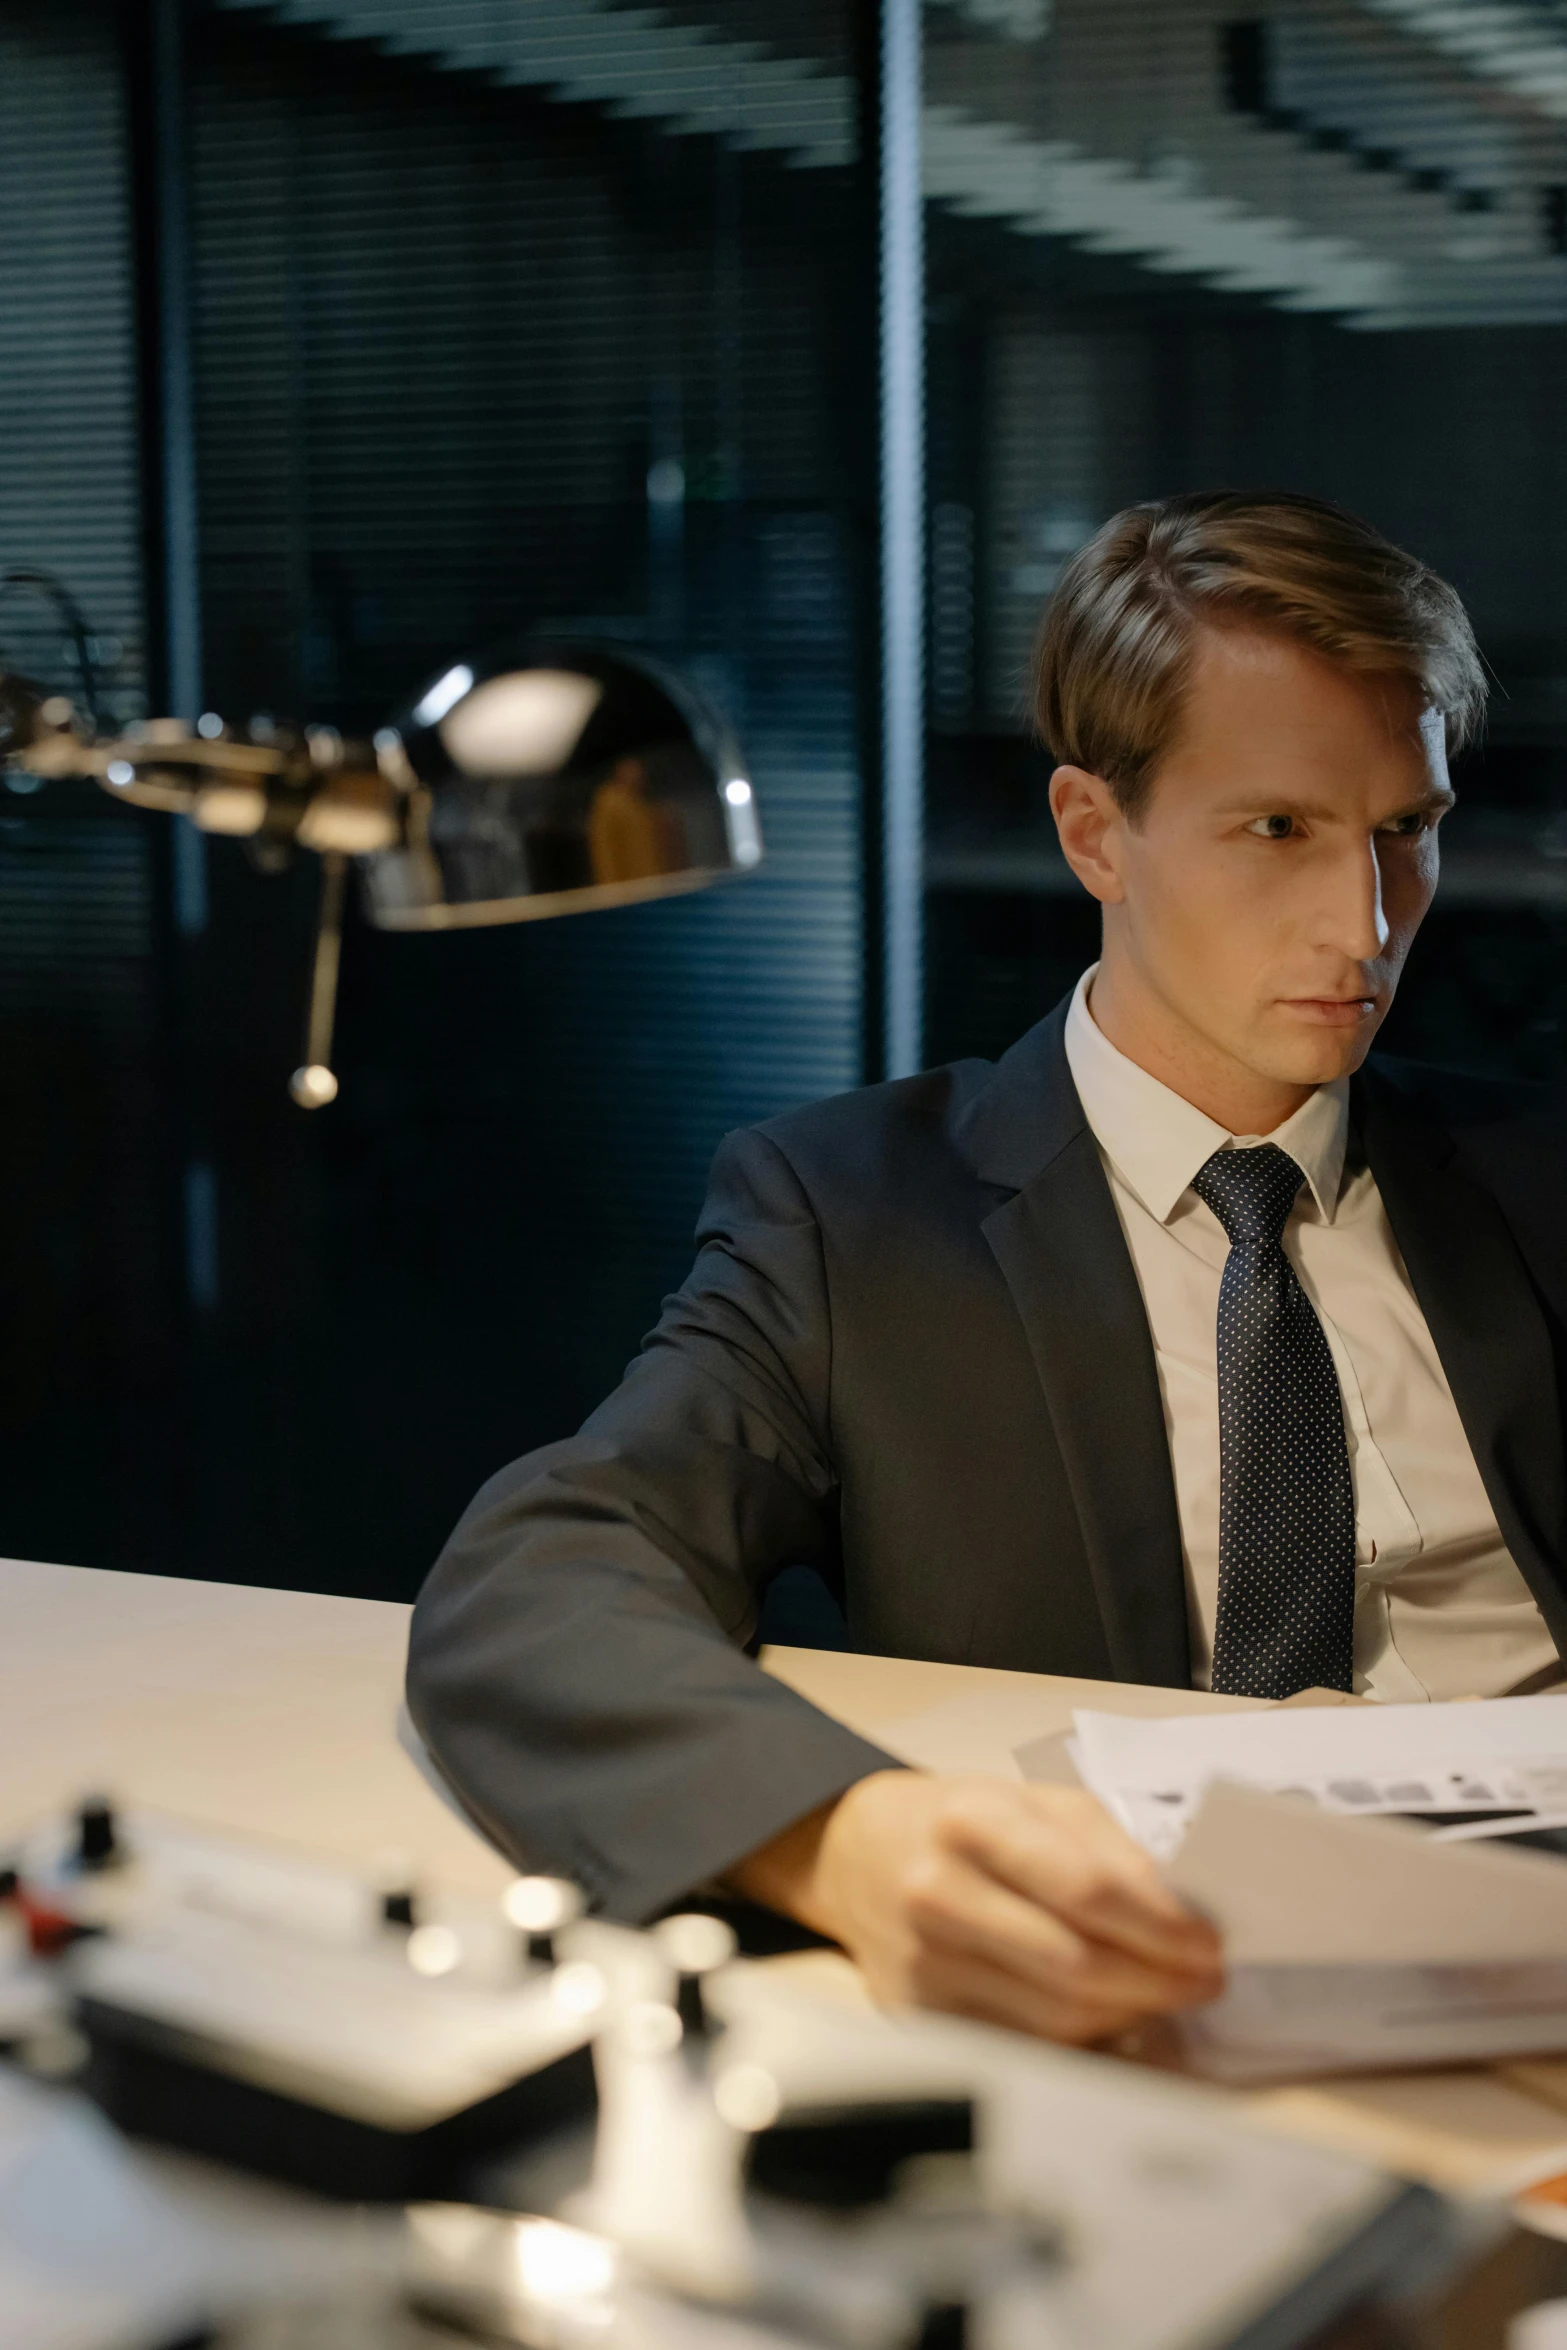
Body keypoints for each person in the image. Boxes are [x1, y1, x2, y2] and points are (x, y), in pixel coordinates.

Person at [406, 491, 1567, 2048]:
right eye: (1276, 827)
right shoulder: (852, 1211)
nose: (1363, 923)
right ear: (1095, 832)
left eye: (1403, 832)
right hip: (1139, 1991)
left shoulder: (1532, 1176)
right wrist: (843, 1836)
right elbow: (540, 1580)